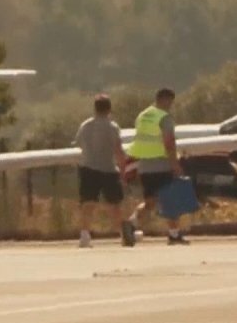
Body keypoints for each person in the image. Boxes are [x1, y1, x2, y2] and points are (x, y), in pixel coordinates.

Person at [126, 88, 189, 245]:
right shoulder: (164, 118)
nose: (171, 105)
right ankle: (174, 234)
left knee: (150, 202)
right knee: (170, 200)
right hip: (162, 164)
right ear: (165, 99)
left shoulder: (143, 115)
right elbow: (169, 143)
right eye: (170, 102)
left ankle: (131, 223)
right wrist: (175, 165)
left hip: (145, 166)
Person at [74, 94, 133, 248]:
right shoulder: (112, 127)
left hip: (88, 168)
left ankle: (85, 235)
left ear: (95, 108)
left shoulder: (85, 125)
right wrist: (123, 170)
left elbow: (79, 144)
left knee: (88, 203)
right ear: (109, 108)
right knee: (115, 204)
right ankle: (124, 234)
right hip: (107, 168)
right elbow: (118, 150)